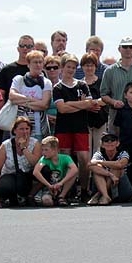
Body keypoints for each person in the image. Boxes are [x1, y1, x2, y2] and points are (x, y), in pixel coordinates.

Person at [52, 55, 96, 202]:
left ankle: (83, 189)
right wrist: (79, 104)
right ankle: (66, 191)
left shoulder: (82, 85)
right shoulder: (57, 88)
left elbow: (89, 104)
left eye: (73, 67)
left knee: (84, 159)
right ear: (62, 68)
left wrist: (71, 104)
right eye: (68, 67)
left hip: (81, 127)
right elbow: (61, 109)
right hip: (64, 128)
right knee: (66, 159)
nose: (70, 70)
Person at [100, 37, 132, 133]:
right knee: (114, 144)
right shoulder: (110, 71)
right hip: (116, 116)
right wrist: (113, 102)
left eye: (131, 46)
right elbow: (104, 94)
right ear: (119, 49)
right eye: (125, 46)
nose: (128, 49)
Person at [0, 116, 41, 208]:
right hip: (11, 175)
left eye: (27, 129)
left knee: (45, 170)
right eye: (21, 129)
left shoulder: (35, 143)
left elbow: (35, 163)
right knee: (6, 186)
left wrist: (24, 148)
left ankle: (30, 195)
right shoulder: (5, 145)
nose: (25, 131)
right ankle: (12, 198)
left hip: (28, 177)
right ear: (15, 131)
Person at [8, 51, 52, 140]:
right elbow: (12, 97)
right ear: (28, 64)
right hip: (19, 123)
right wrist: (34, 101)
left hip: (39, 126)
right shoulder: (19, 80)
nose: (38, 65)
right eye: (35, 62)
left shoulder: (46, 82)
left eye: (40, 62)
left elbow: (44, 104)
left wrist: (22, 102)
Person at [32, 136, 79, 207]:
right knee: (46, 201)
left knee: (72, 170)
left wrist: (61, 183)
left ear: (55, 150)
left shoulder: (65, 158)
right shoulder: (44, 159)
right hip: (50, 186)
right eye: (42, 150)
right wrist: (48, 185)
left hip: (63, 185)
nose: (43, 152)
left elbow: (75, 169)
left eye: (46, 150)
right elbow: (36, 172)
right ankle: (54, 199)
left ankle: (62, 196)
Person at [89, 133, 132, 205]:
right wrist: (110, 174)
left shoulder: (123, 153)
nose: (109, 142)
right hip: (103, 183)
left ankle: (100, 194)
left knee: (117, 168)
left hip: (121, 189)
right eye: (106, 140)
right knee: (97, 170)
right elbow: (91, 165)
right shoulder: (98, 154)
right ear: (102, 144)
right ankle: (105, 196)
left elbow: (120, 164)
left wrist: (100, 162)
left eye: (112, 140)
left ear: (118, 143)